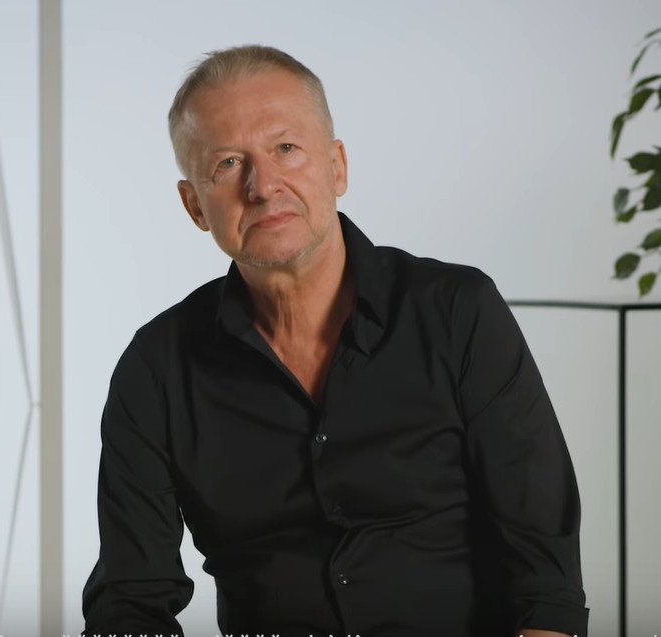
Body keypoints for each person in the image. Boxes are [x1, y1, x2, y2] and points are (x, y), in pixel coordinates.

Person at [81, 44, 588, 637]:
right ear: (195, 205)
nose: (263, 186)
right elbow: (130, 600)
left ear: (337, 166)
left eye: (286, 149)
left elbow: (545, 579)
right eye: (228, 164)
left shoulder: (457, 312)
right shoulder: (156, 369)